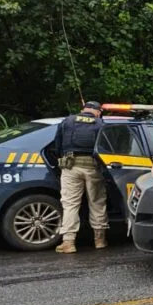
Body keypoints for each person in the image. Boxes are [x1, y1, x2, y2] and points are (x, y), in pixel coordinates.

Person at [52, 101, 109, 253]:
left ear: (84, 109)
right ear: (97, 111)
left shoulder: (67, 121)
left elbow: (57, 146)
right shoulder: (100, 124)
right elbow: (106, 149)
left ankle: (69, 242)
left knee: (70, 204)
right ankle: (100, 240)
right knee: (97, 202)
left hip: (70, 167)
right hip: (93, 168)